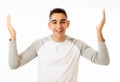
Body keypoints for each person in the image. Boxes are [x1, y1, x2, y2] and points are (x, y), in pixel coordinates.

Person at [7, 8, 110, 82]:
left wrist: (99, 31)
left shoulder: (77, 45)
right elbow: (14, 64)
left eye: (62, 22)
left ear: (67, 24)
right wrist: (13, 37)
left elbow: (103, 61)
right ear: (49, 25)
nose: (59, 26)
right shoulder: (39, 44)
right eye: (54, 22)